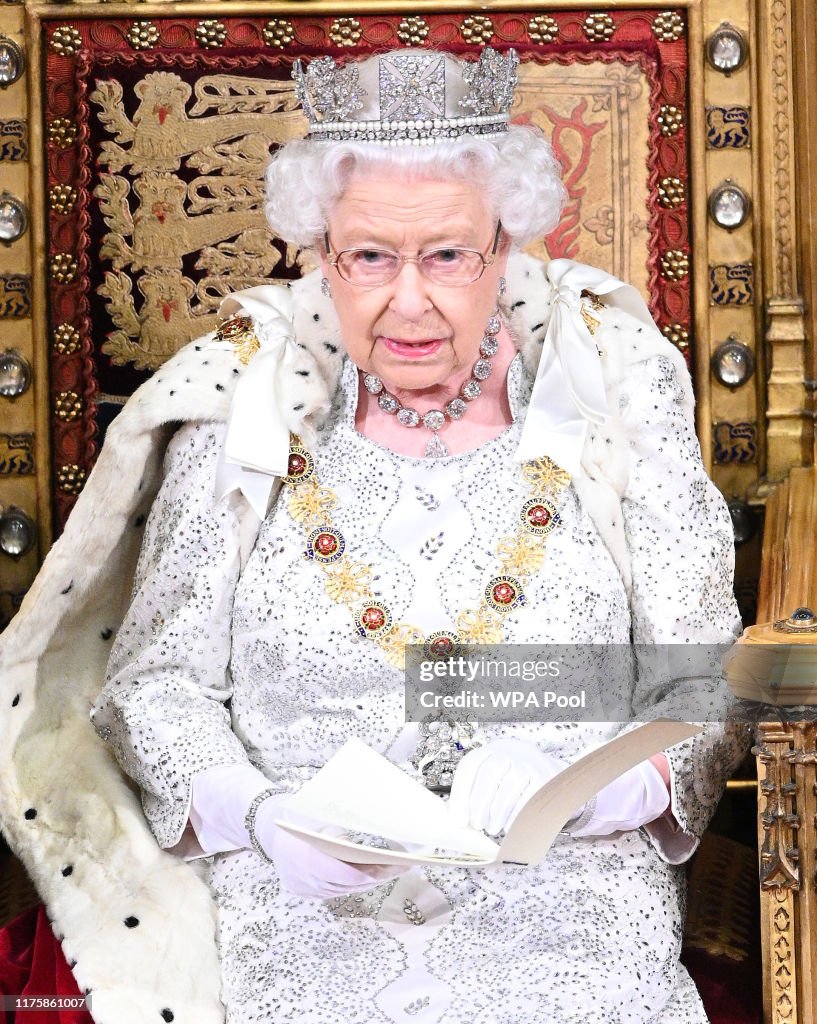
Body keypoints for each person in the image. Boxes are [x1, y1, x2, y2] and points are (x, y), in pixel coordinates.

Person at [0, 46, 747, 1024]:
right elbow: (157, 682)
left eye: (445, 254)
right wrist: (257, 815)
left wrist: (584, 788)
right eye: (368, 257)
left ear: (505, 249)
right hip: (305, 908)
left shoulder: (612, 397)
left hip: (567, 903)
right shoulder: (239, 413)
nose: (407, 299)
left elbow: (709, 676)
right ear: (318, 256)